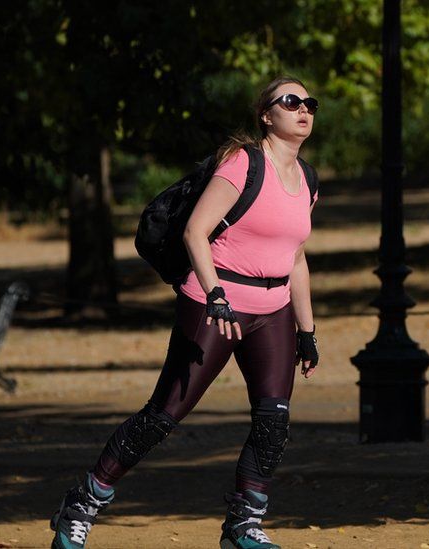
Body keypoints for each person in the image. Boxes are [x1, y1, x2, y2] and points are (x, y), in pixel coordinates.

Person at [50, 76, 321, 549]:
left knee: (274, 422)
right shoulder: (242, 163)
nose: (303, 109)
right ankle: (81, 505)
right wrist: (216, 294)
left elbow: (296, 256)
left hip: (274, 308)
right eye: (290, 101)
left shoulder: (307, 180)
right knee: (163, 416)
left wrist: (307, 330)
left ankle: (243, 527)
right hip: (215, 303)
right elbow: (196, 232)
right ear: (266, 114)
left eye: (309, 103)